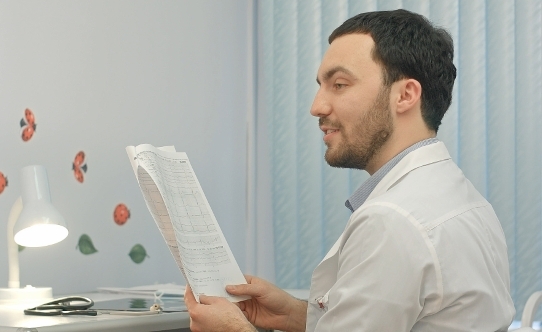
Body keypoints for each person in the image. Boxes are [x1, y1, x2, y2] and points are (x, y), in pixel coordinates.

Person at [184, 9, 515, 332]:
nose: (317, 107)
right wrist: (296, 316)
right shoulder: (463, 199)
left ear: (405, 95)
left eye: (339, 84)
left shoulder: (392, 221)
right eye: (321, 85)